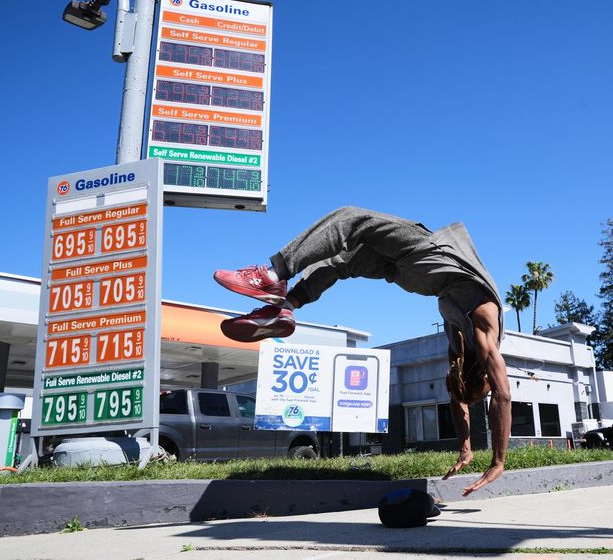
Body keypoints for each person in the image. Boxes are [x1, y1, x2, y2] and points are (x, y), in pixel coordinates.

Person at [213, 207, 511, 496]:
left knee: (354, 220)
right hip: (416, 274)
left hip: (426, 259)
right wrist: (482, 455)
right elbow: (487, 397)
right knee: (342, 260)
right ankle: (284, 309)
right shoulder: (474, 343)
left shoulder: (472, 343)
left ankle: (273, 277)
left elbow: (481, 397)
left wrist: (481, 454)